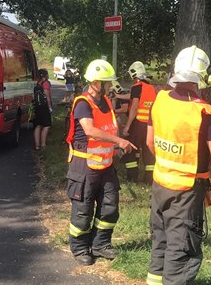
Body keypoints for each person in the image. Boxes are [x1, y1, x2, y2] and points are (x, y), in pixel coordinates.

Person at [146, 46, 211, 285]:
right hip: (187, 191)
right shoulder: (205, 113)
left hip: (160, 183)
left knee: (160, 239)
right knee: (181, 250)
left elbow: (150, 142)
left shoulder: (159, 100)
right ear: (204, 77)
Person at [65, 59, 137, 266]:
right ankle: (79, 249)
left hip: (106, 166)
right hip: (84, 166)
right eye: (106, 82)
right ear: (96, 83)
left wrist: (117, 145)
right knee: (83, 209)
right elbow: (90, 130)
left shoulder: (105, 101)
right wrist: (119, 141)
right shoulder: (82, 103)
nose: (109, 86)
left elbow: (107, 127)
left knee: (110, 207)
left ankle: (100, 244)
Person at [120, 61, 157, 183]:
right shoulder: (151, 88)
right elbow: (133, 96)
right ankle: (149, 179)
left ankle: (132, 177)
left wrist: (127, 127)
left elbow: (134, 107)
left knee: (131, 149)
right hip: (150, 125)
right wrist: (118, 96)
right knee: (148, 151)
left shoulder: (137, 86)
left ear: (134, 74)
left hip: (137, 124)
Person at [33, 68, 53, 150]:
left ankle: (37, 146)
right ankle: (43, 145)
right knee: (47, 125)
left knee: (38, 125)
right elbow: (47, 97)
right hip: (44, 107)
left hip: (37, 107)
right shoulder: (46, 83)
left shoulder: (37, 83)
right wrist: (50, 107)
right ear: (46, 75)